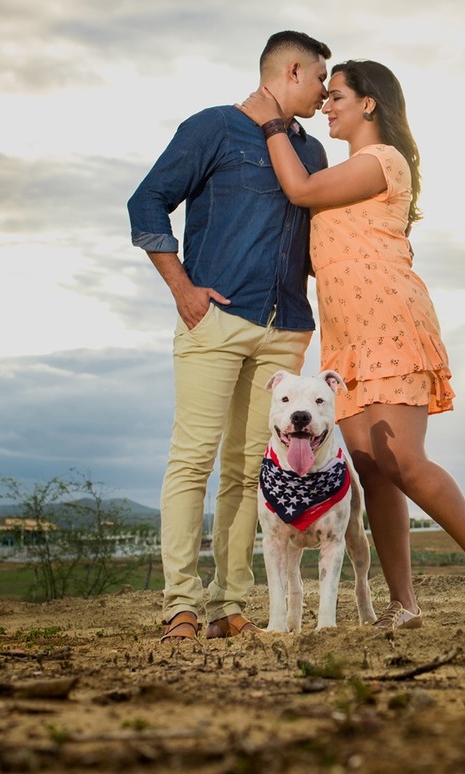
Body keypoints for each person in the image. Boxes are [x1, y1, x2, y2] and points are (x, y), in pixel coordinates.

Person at [237, 60, 465, 631]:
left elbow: (300, 188)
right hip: (345, 334)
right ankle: (403, 604)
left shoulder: (382, 161)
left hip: (389, 321)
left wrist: (271, 124)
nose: (326, 105)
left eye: (337, 95)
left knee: (403, 461)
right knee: (370, 468)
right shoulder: (347, 171)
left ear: (369, 103)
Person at [127, 31, 332, 642]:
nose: (325, 93)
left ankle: (228, 605)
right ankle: (181, 606)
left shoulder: (313, 152)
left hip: (286, 327)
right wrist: (182, 288)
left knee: (250, 470)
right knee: (193, 460)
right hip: (216, 318)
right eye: (320, 79)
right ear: (291, 70)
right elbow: (147, 201)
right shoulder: (214, 127)